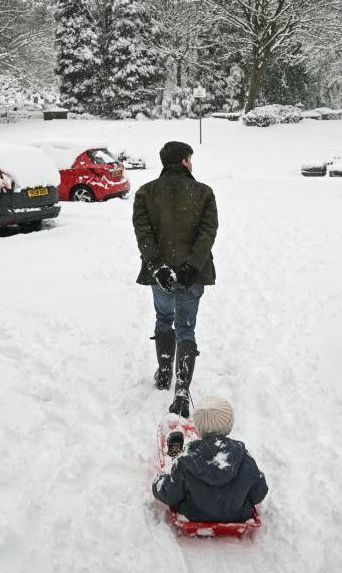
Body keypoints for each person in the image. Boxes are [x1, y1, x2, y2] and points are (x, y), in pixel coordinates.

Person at [133, 141, 218, 418]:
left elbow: (143, 233)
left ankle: (165, 371)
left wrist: (158, 268)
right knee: (186, 328)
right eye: (190, 159)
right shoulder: (204, 193)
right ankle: (181, 390)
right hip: (192, 276)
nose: (191, 164)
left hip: (162, 277)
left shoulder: (145, 193)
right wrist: (192, 266)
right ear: (183, 161)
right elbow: (208, 231)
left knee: (163, 318)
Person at [153, 397, 268, 523]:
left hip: (193, 516)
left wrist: (158, 482)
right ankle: (174, 460)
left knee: (178, 468)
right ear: (228, 427)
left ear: (198, 429)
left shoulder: (186, 462)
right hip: (238, 516)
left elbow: (169, 495)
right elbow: (258, 494)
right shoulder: (244, 459)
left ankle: (173, 459)